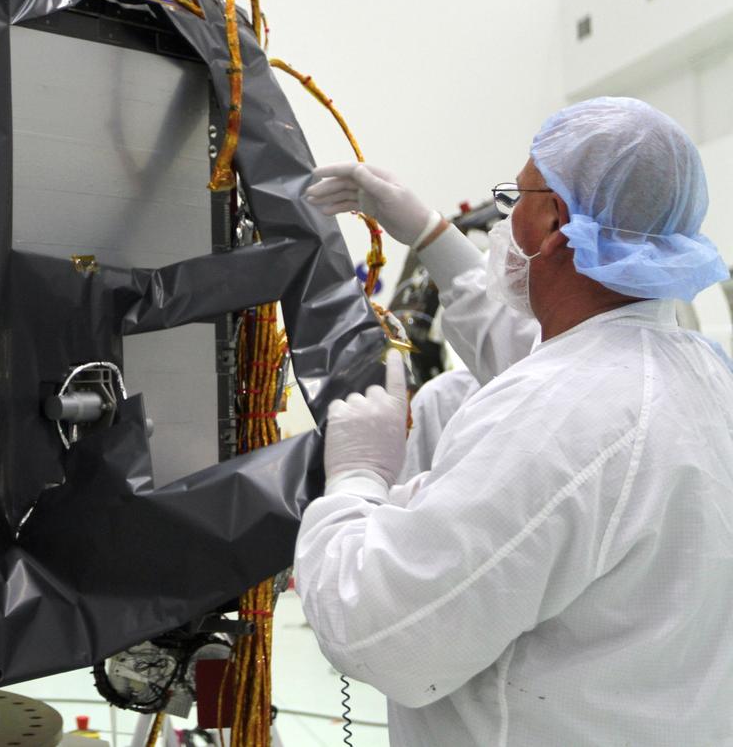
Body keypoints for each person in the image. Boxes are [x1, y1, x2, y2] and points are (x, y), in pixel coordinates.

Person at [292, 97, 733, 745]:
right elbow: (540, 360)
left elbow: (381, 633)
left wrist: (355, 484)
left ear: (553, 218)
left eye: (514, 196)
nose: (503, 218)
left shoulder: (562, 412)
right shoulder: (701, 371)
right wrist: (432, 237)